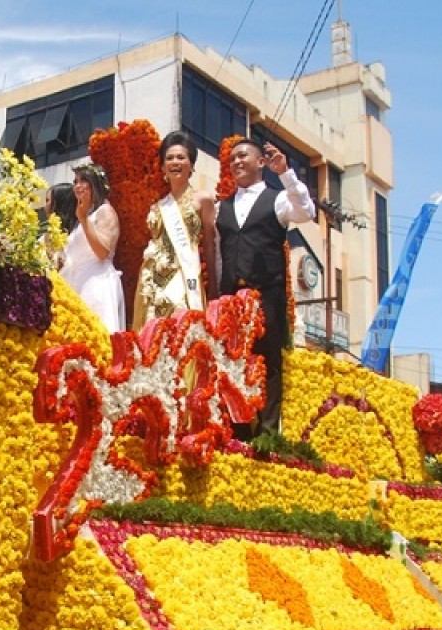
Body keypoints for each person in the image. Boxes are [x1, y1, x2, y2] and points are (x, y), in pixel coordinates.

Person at [210, 138, 316, 433]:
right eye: (232, 158)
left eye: (243, 156)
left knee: (269, 362)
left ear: (260, 162)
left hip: (268, 294)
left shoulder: (278, 199)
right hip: (232, 296)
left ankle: (269, 433)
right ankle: (239, 431)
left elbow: (307, 211)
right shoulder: (223, 207)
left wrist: (285, 173)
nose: (237, 162)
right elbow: (220, 252)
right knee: (234, 362)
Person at [133, 131, 216, 329]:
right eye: (169, 158)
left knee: (183, 328)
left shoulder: (203, 199)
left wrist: (212, 284)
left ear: (191, 164)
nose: (175, 162)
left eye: (181, 157)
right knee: (154, 331)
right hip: (155, 278)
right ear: (162, 167)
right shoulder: (158, 207)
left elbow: (210, 245)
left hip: (185, 276)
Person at [60, 162, 124, 333]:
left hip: (96, 282)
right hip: (77, 282)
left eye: (83, 181)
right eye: (75, 181)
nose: (77, 186)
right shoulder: (84, 215)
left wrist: (83, 219)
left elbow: (102, 252)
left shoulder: (105, 211)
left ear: (95, 184)